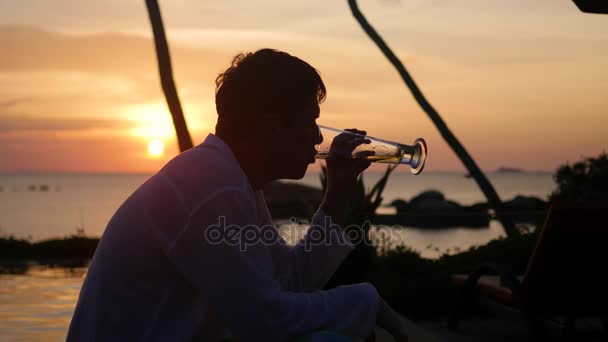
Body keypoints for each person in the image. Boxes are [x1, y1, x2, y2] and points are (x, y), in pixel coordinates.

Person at [67, 49, 408, 341]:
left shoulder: (230, 179)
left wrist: (336, 197)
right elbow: (265, 320)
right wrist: (367, 302)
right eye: (309, 123)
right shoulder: (211, 183)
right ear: (273, 126)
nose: (319, 138)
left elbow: (289, 282)